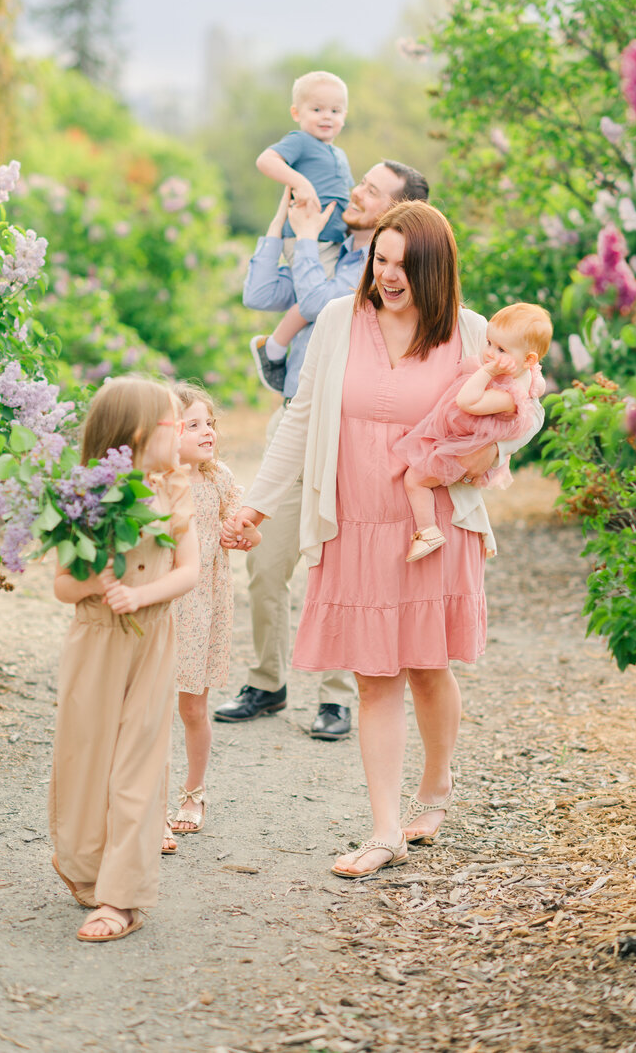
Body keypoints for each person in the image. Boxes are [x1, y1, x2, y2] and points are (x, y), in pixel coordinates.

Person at [223, 201, 543, 878]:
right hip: (356, 526)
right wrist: (256, 505)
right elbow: (300, 419)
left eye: (403, 264)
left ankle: (436, 789)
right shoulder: (340, 320)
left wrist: (492, 458)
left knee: (428, 667)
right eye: (381, 260)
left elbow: (526, 410)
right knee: (374, 677)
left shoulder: (469, 332)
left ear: (435, 269)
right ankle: (385, 828)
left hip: (431, 527)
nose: (387, 275)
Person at [214, 161, 431, 741]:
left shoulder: (381, 276)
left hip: (353, 437)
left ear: (398, 213)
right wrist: (283, 225)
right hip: (294, 421)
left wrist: (306, 242)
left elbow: (318, 300)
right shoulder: (331, 249)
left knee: (337, 562)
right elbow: (260, 291)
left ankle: (337, 697)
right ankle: (267, 681)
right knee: (266, 561)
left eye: (372, 189)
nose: (355, 189)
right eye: (360, 180)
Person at [49, 376, 199, 941]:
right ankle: (88, 870)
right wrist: (94, 582)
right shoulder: (82, 497)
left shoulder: (175, 490)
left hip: (151, 637)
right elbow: (63, 584)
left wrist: (139, 595)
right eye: (173, 422)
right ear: (138, 434)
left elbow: (189, 569)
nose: (182, 430)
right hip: (94, 640)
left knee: (139, 759)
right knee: (85, 755)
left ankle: (123, 896)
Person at [169, 383, 260, 838]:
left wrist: (240, 534)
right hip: (160, 605)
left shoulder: (217, 478)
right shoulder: (154, 482)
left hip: (202, 606)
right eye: (194, 425)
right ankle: (141, 801)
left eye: (210, 423)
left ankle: (193, 790)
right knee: (143, 707)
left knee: (192, 708)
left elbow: (248, 533)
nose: (207, 432)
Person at [396, 302, 552, 561]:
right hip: (463, 439)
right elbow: (539, 383)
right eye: (489, 342)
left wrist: (487, 371)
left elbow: (466, 401)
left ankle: (427, 530)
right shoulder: (526, 374)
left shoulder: (509, 396)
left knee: (414, 479)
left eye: (500, 349)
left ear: (529, 359)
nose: (489, 352)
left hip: (464, 447)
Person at [251, 70, 352, 393]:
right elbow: (266, 161)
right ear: (297, 113)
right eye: (317, 109)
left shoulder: (339, 154)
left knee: (330, 298)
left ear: (344, 116)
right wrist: (300, 181)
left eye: (335, 111)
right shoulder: (300, 142)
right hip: (308, 237)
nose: (327, 117)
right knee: (315, 299)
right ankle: (275, 346)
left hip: (334, 241)